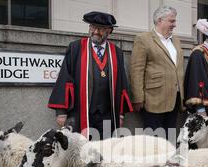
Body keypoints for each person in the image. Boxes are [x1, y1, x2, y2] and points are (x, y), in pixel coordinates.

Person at [47, 11, 133, 140]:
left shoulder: (116, 52)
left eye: (101, 28)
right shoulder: (76, 48)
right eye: (93, 27)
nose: (96, 31)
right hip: (83, 111)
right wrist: (61, 112)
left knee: (106, 148)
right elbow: (65, 78)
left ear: (109, 31)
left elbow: (122, 83)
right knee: (83, 148)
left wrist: (120, 114)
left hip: (108, 113)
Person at [129, 5, 184, 139]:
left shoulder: (176, 41)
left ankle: (169, 159)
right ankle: (155, 160)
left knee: (170, 138)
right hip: (153, 99)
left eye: (174, 21)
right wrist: (137, 98)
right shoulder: (143, 39)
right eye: (172, 21)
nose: (174, 24)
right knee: (154, 140)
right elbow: (136, 69)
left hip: (174, 99)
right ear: (160, 20)